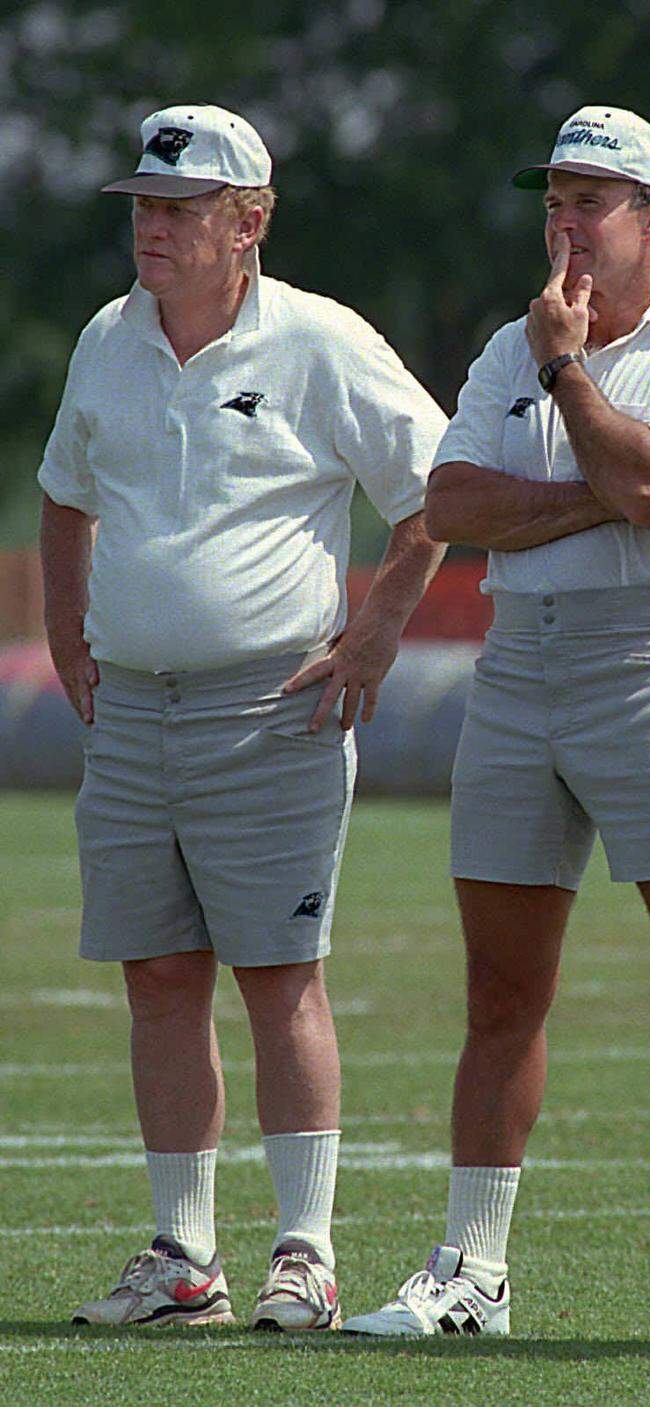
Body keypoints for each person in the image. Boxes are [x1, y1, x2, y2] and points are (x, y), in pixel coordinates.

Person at [341, 105, 650, 1340]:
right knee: (501, 991)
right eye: (553, 197)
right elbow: (454, 503)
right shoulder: (512, 339)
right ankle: (471, 1275)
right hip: (518, 663)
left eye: (590, 199)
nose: (563, 222)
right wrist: (614, 495)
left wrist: (571, 377)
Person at [40, 104, 448, 1330]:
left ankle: (306, 1253)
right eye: (142, 209)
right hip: (132, 716)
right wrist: (69, 638)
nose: (150, 230)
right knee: (159, 975)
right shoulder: (106, 340)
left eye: (177, 209)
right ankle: (183, 1261)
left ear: (250, 222)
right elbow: (64, 497)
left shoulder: (321, 342)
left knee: (280, 975)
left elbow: (436, 491)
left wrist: (376, 631)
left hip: (271, 709)